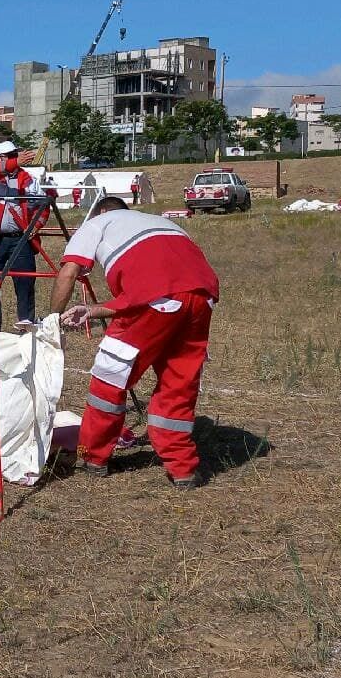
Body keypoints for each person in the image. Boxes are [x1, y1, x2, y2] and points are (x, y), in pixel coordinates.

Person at [49, 196, 220, 488]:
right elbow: (162, 289)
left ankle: (92, 456)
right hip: (201, 297)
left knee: (109, 379)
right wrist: (92, 310)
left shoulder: (97, 223)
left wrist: (51, 319)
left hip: (156, 301)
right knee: (178, 383)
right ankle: (183, 469)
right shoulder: (165, 224)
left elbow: (69, 271)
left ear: (101, 212)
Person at [0, 141, 52, 332]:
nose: (16, 159)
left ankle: (26, 325)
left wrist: (37, 224)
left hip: (21, 240)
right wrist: (13, 162)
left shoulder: (29, 180)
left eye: (15, 155)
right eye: (11, 156)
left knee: (25, 282)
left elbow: (42, 205)